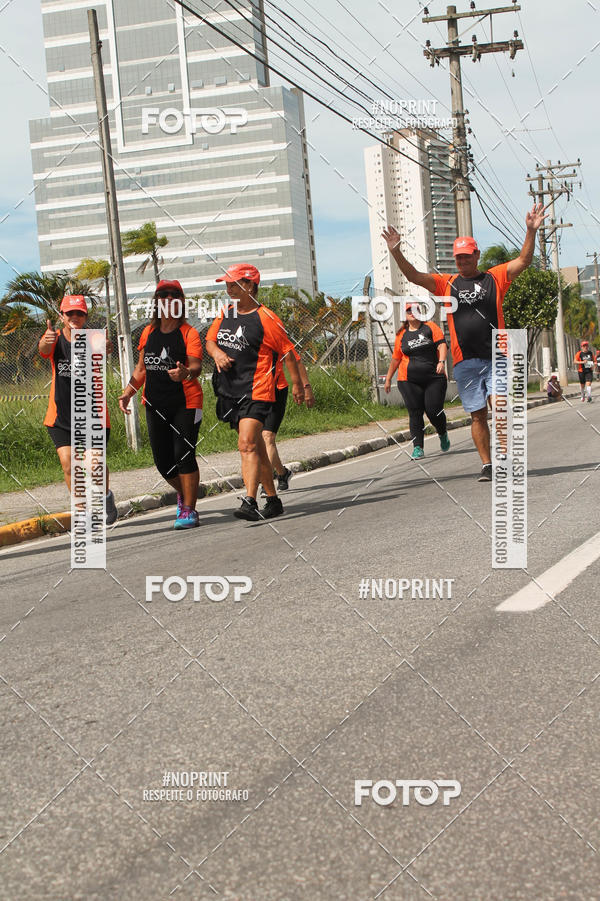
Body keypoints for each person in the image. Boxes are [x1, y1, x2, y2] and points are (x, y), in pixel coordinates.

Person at [382, 202, 546, 481]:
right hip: (466, 362)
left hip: (497, 356)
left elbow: (524, 261)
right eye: (459, 258)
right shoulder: (447, 284)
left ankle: (504, 457)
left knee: (501, 408)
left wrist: (530, 231)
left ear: (477, 255)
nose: (463, 261)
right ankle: (487, 464)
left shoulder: (495, 277)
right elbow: (413, 276)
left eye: (467, 257)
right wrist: (396, 251)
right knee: (478, 415)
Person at [206, 263, 304, 521]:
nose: (228, 289)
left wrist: (297, 385)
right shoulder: (225, 313)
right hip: (230, 391)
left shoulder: (268, 319)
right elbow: (210, 340)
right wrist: (217, 354)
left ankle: (249, 500)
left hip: (258, 389)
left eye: (234, 284)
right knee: (256, 447)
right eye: (226, 284)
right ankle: (272, 499)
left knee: (247, 444)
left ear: (250, 285)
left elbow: (288, 354)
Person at [118, 280, 203, 529]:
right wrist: (128, 392)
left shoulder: (189, 332)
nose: (167, 299)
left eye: (173, 295)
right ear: (156, 302)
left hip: (186, 403)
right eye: (162, 295)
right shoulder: (148, 333)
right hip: (154, 403)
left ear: (180, 302)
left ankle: (189, 509)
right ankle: (187, 493)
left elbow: (196, 365)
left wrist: (185, 373)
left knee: (183, 455)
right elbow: (141, 368)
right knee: (163, 462)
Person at [39, 294, 117, 524]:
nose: (74, 317)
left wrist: (107, 346)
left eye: (79, 313)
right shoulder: (53, 338)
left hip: (92, 415)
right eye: (69, 313)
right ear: (61, 316)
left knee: (94, 466)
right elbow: (43, 349)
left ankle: (105, 497)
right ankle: (81, 511)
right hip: (60, 415)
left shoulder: (93, 337)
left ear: (85, 316)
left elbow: (105, 347)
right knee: (69, 463)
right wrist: (47, 338)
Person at [383, 303, 450, 459]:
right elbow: (395, 359)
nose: (412, 313)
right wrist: (388, 379)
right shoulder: (401, 335)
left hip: (434, 377)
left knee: (433, 411)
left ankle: (442, 432)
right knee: (415, 412)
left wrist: (441, 361)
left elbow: (441, 345)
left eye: (415, 310)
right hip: (408, 380)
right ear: (405, 316)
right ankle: (418, 447)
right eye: (409, 311)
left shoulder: (430, 327)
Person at [261, 349, 315, 495]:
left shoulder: (275, 331)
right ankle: (283, 473)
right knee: (257, 441)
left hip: (276, 391)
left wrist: (305, 387)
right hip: (251, 393)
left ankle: (265, 481)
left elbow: (296, 360)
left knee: (268, 437)